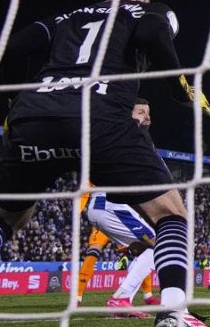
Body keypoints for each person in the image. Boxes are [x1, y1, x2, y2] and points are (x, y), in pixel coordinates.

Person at [0, 0, 210, 327]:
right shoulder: (149, 12)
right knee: (170, 214)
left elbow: (17, 46)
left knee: (3, 217)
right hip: (99, 116)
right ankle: (172, 312)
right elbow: (154, 34)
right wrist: (179, 87)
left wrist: (12, 105)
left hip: (34, 114)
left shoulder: (67, 17)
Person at [77, 99, 159, 314]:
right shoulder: (118, 133)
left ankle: (125, 302)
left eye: (148, 113)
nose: (147, 116)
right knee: (156, 246)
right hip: (109, 204)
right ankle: (120, 299)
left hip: (106, 206)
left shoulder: (129, 137)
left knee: (144, 251)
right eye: (141, 112)